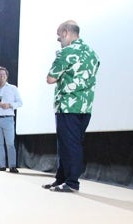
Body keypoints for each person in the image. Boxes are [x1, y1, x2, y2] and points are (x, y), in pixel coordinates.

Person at [44, 20, 100, 193]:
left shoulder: (66, 52)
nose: (58, 40)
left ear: (66, 32)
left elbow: (50, 78)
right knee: (69, 143)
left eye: (59, 36)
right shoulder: (92, 53)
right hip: (85, 106)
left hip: (68, 106)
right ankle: (61, 178)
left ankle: (72, 183)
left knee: (69, 145)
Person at [0, 66, 23, 173]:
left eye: (4, 75)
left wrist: (10, 105)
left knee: (10, 143)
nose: (2, 76)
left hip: (8, 118)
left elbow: (20, 103)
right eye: (0, 75)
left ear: (7, 76)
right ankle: (2, 165)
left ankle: (12, 166)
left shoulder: (13, 88)